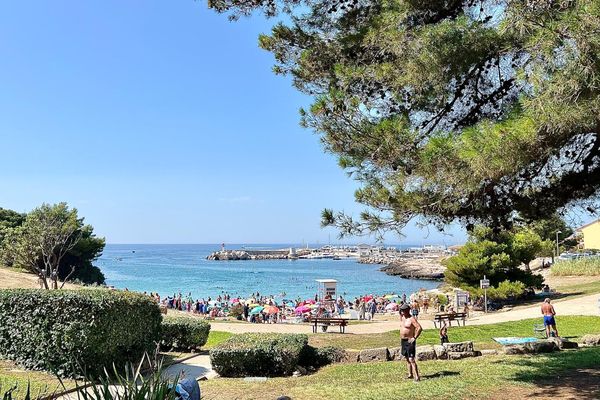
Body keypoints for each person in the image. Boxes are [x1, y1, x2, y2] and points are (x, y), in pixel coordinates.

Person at [399, 303, 422, 382]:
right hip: (403, 341)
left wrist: (414, 337)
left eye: (404, 310)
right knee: (406, 358)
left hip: (409, 340)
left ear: (408, 310)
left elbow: (419, 328)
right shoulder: (402, 317)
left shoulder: (411, 319)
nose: (402, 311)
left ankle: (417, 377)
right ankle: (410, 374)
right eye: (402, 310)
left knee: (411, 359)